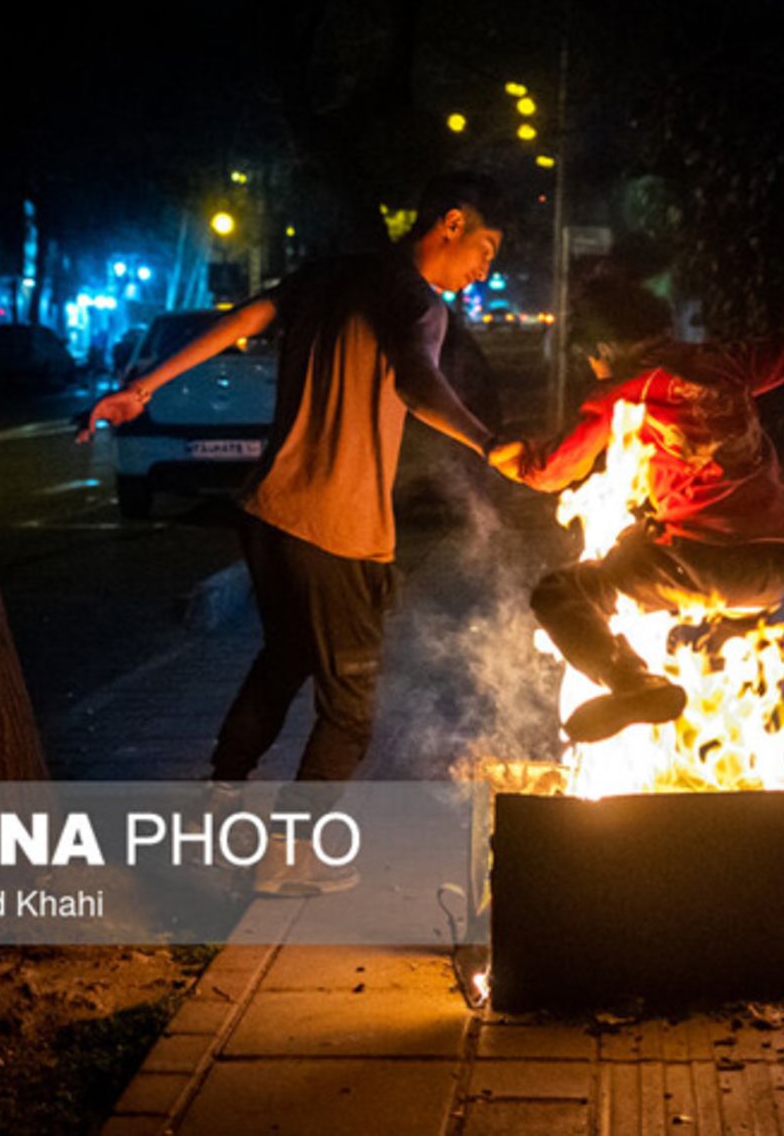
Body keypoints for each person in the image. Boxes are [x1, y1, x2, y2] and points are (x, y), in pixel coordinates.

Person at [79, 172, 507, 891]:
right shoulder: (419, 303)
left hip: (267, 517)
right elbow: (416, 381)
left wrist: (143, 388)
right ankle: (287, 854)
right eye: (486, 249)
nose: (484, 269)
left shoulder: (332, 273)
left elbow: (244, 319)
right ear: (452, 224)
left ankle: (221, 796)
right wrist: (486, 442)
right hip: (334, 530)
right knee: (351, 710)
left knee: (285, 659)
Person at [493, 264, 784, 744]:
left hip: (692, 564)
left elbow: (556, 473)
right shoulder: (729, 361)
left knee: (560, 593)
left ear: (604, 349)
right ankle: (715, 747)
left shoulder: (624, 392)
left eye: (592, 361)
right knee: (711, 666)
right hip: (772, 566)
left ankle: (632, 683)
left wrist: (513, 460)